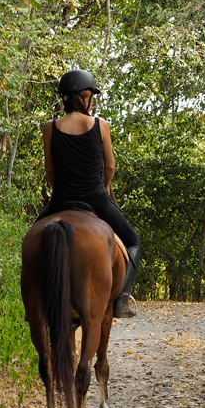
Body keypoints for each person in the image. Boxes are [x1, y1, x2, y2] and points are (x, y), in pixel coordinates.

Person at [37, 69, 140, 318]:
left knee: (32, 242)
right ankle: (122, 300)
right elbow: (111, 166)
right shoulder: (99, 125)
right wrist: (103, 186)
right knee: (133, 241)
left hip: (61, 199)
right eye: (91, 95)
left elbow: (50, 170)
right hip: (96, 199)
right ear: (84, 96)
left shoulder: (49, 127)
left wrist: (59, 191)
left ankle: (37, 302)